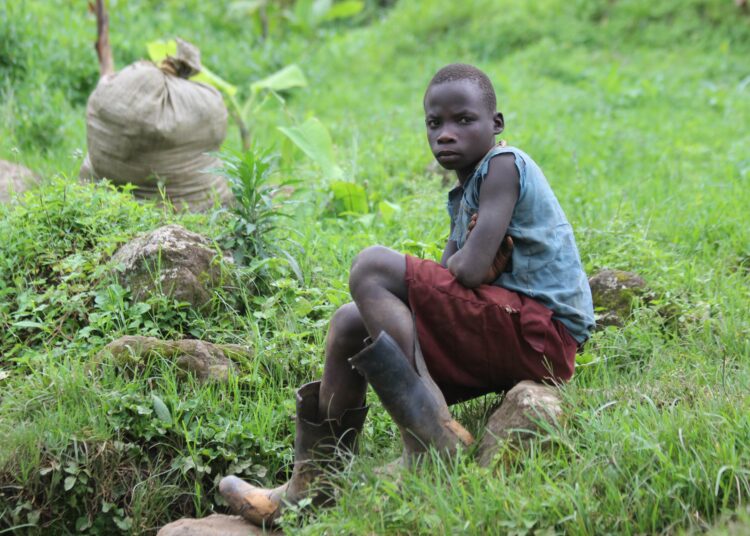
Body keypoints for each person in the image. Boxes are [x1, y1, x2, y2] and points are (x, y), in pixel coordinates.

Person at [219, 63, 595, 527]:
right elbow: (455, 279)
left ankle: (431, 434)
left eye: (463, 120)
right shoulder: (463, 196)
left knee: (372, 266)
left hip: (543, 335)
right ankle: (314, 485)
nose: (446, 135)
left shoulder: (503, 166)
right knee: (350, 322)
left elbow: (468, 268)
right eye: (435, 124)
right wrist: (464, 265)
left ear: (496, 124)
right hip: (509, 328)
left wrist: (466, 265)